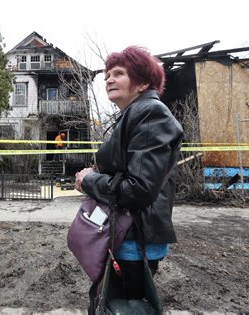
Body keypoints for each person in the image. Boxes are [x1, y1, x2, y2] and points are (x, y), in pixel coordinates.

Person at [74, 46, 183, 313]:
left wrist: (89, 181)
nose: (109, 79)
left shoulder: (150, 114)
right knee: (110, 305)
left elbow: (139, 189)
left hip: (134, 241)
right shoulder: (132, 114)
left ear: (143, 82)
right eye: (107, 75)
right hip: (125, 236)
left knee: (124, 307)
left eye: (119, 73)